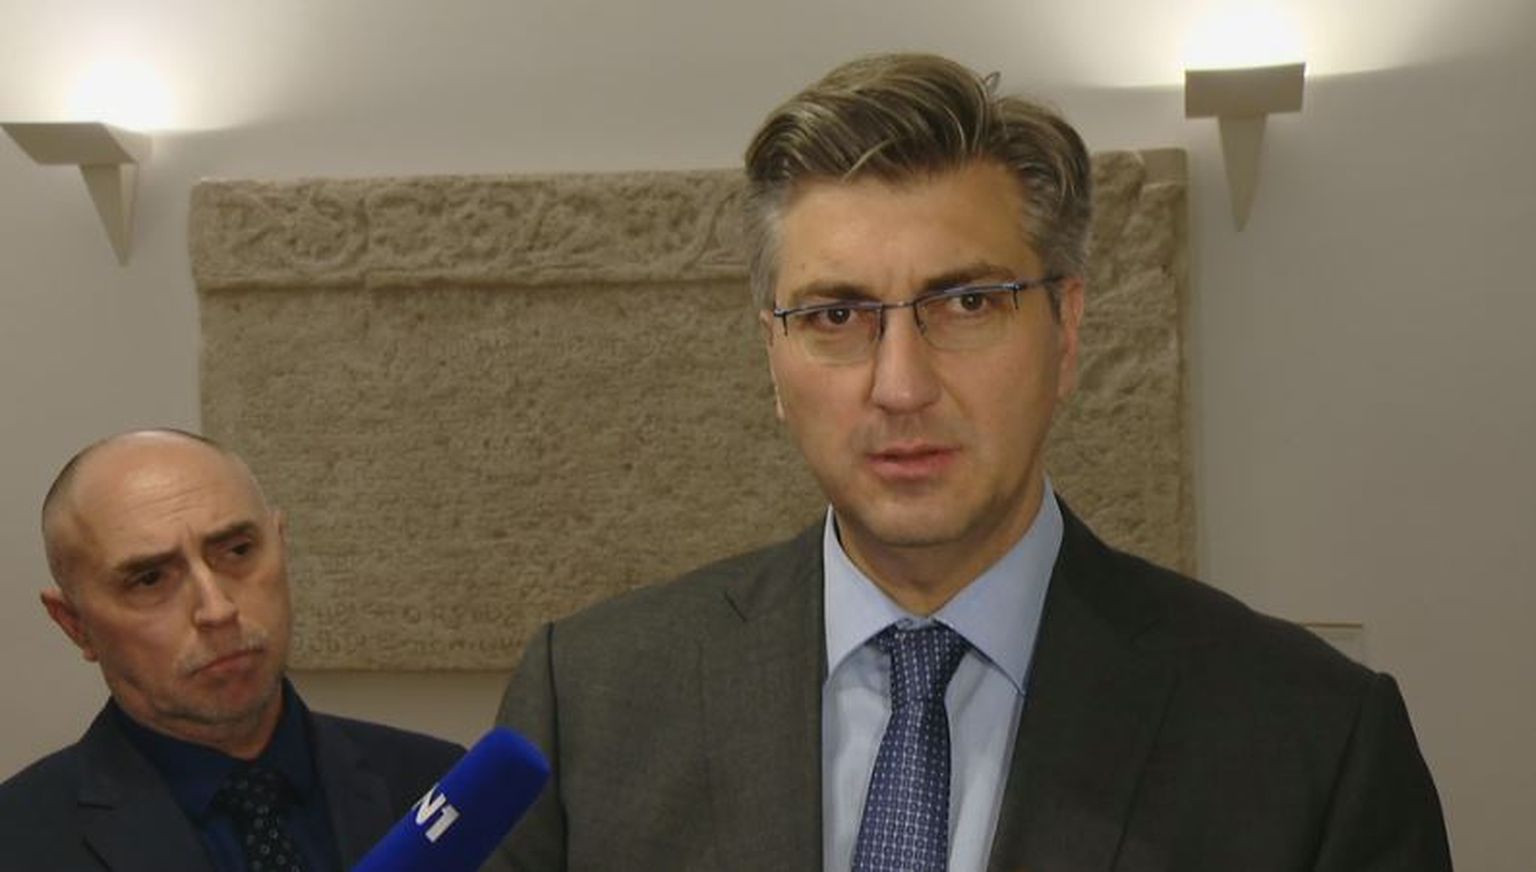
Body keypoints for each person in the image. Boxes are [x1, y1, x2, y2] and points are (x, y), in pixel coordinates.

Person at [490, 53, 1452, 871]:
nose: (900, 386)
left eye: (967, 304)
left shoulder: (1313, 741)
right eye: (836, 315)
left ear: (1066, 333)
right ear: (772, 358)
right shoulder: (589, 703)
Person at [0, 429, 463, 871]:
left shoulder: (446, 786)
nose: (217, 609)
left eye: (238, 551)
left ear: (280, 545)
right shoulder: (17, 842)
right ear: (75, 624)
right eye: (150, 579)